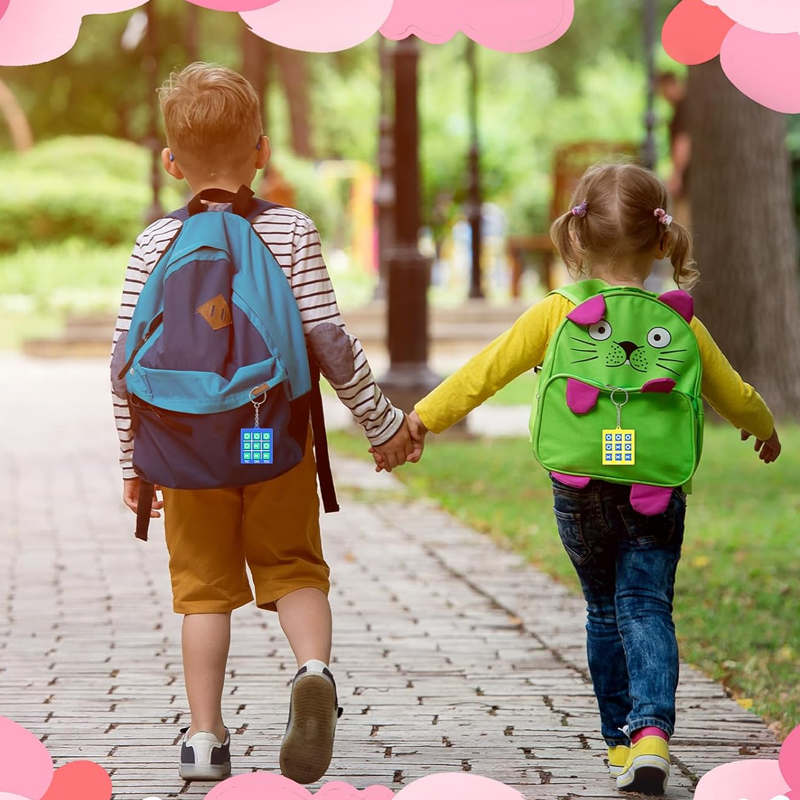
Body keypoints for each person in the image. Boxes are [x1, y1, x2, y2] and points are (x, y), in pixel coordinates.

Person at [379, 162, 781, 795]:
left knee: (602, 609)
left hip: (578, 485)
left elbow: (485, 371)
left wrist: (421, 420)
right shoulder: (681, 324)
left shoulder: (555, 314)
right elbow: (734, 392)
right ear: (659, 241)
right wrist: (763, 428)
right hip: (657, 484)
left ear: (576, 237)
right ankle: (653, 732)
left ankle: (622, 743)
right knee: (646, 605)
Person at [110, 63, 416, 785]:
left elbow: (122, 361)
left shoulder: (154, 245)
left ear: (171, 162)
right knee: (295, 569)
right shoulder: (291, 230)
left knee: (204, 591)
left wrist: (134, 462)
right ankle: (313, 671)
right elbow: (329, 341)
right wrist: (380, 424)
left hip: (185, 453)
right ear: (262, 152)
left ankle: (205, 739)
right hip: (273, 440)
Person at [658, 71, 691, 226]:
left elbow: (682, 142)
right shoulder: (687, 106)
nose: (663, 96)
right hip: (689, 174)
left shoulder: (682, 109)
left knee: (682, 221)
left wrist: (677, 174)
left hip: (687, 176)